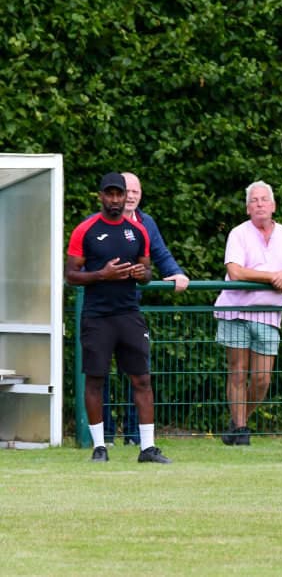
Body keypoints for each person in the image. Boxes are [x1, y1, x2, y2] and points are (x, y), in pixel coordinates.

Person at [65, 172, 171, 464]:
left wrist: (141, 273)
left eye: (119, 194)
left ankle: (147, 448)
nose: (114, 200)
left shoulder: (138, 231)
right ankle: (100, 447)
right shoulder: (85, 230)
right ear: (101, 196)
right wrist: (102, 274)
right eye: (109, 194)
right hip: (97, 316)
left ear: (126, 196)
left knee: (142, 379)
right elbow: (71, 275)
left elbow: (147, 272)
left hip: (128, 313)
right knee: (95, 379)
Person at [101, 171, 189, 446]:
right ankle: (103, 436)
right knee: (98, 373)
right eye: (126, 191)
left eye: (136, 192)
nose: (130, 196)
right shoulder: (97, 223)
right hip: (100, 309)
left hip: (131, 309)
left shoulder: (146, 223)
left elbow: (160, 254)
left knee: (138, 372)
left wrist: (176, 273)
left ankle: (134, 435)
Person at [213, 181, 282, 446]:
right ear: (248, 208)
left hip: (270, 315)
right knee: (238, 372)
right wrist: (273, 277)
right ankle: (241, 431)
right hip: (236, 311)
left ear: (273, 205)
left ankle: (238, 422)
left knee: (262, 379)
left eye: (264, 199)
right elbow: (235, 272)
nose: (259, 204)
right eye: (254, 200)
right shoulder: (238, 233)